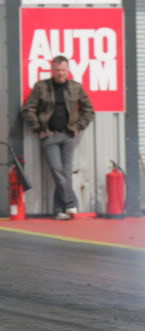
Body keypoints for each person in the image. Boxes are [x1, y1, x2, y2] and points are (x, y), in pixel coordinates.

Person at [22, 55, 95, 220]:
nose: (60, 73)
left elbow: (89, 110)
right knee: (57, 171)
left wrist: (78, 127)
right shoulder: (42, 87)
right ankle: (71, 203)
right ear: (52, 70)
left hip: (68, 135)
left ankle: (59, 210)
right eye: (57, 70)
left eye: (63, 70)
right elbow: (28, 110)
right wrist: (38, 128)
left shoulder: (76, 88)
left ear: (68, 70)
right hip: (49, 136)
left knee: (65, 173)